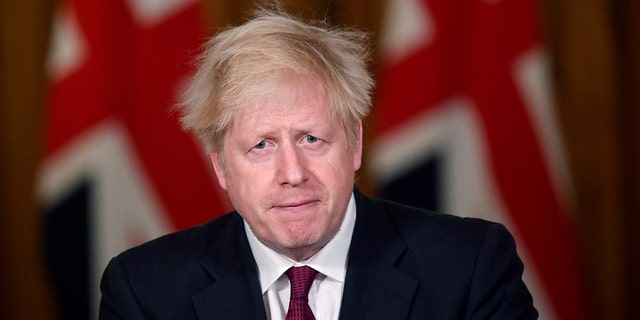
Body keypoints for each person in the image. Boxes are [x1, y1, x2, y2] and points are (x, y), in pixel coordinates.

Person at [99, 7, 537, 320]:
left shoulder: (471, 266)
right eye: (261, 146)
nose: (293, 173)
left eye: (311, 138)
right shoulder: (144, 290)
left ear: (355, 144)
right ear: (221, 168)